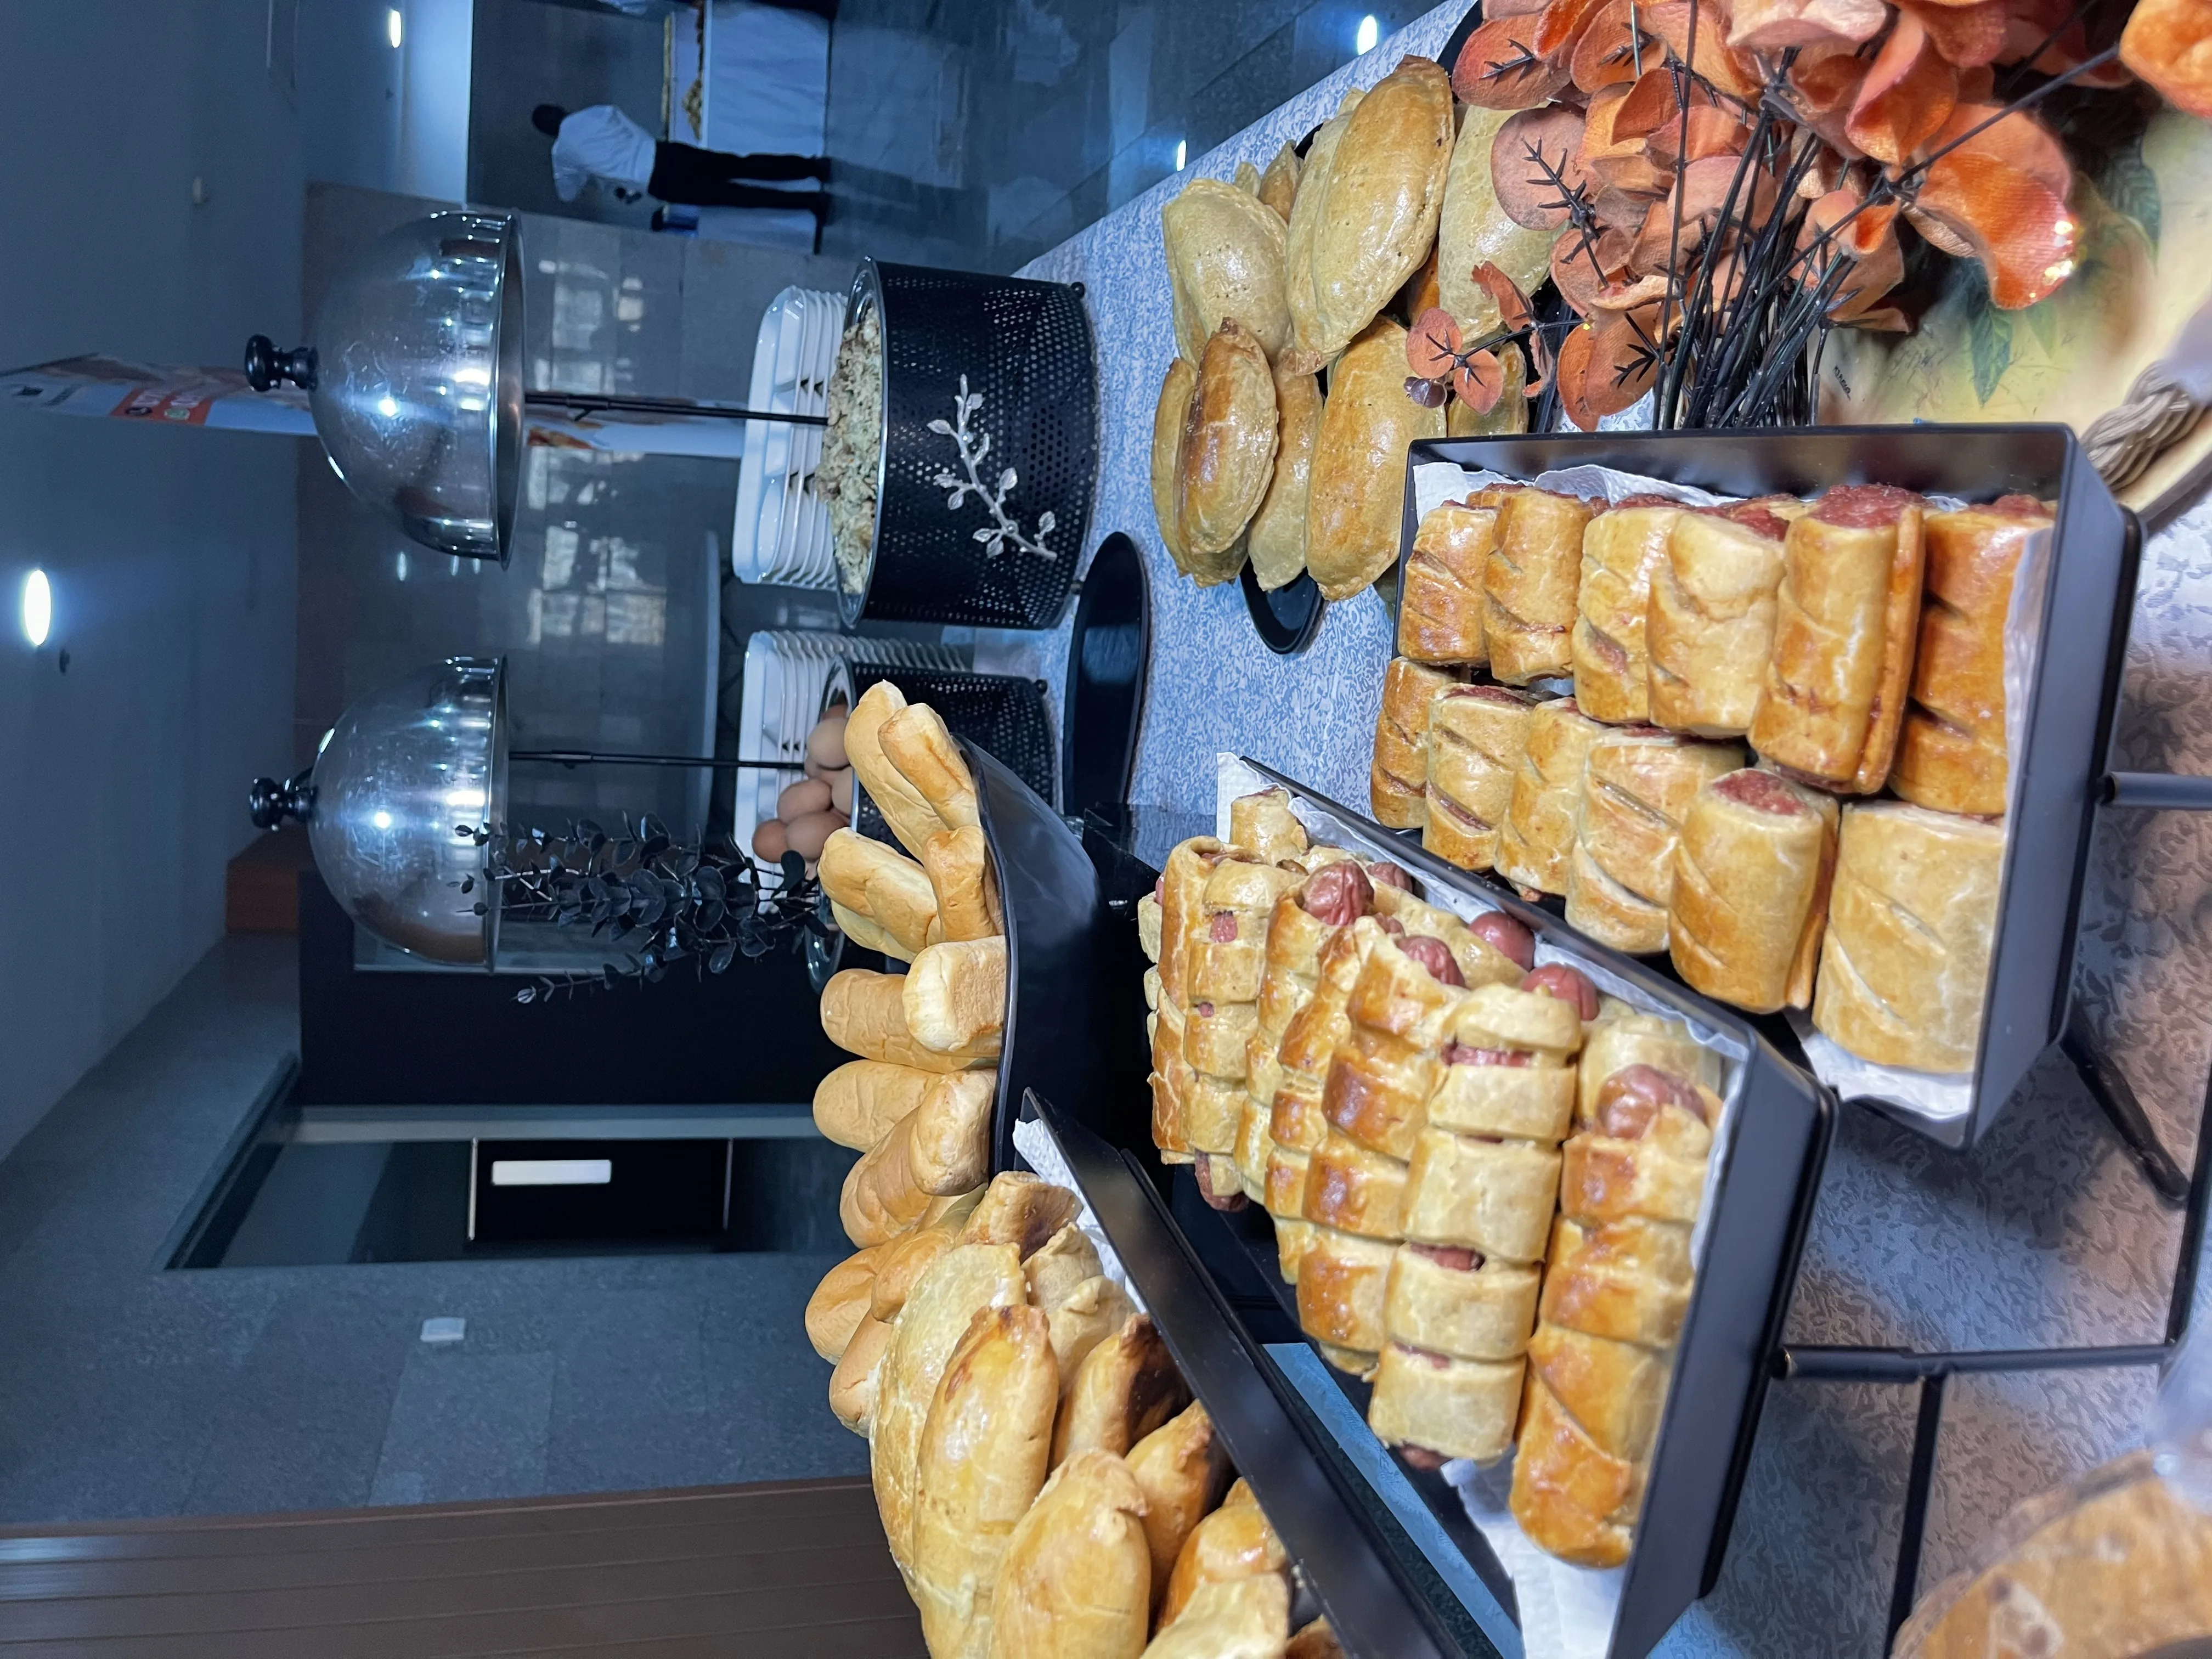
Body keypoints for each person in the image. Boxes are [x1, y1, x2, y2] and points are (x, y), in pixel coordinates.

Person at [531, 104, 828, 219]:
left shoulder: (562, 154)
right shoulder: (592, 113)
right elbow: (624, 120)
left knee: (740, 196)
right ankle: (812, 167)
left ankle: (811, 202)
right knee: (741, 164)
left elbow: (566, 195)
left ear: (548, 134)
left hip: (658, 181)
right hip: (667, 152)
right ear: (561, 109)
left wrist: (593, 177)